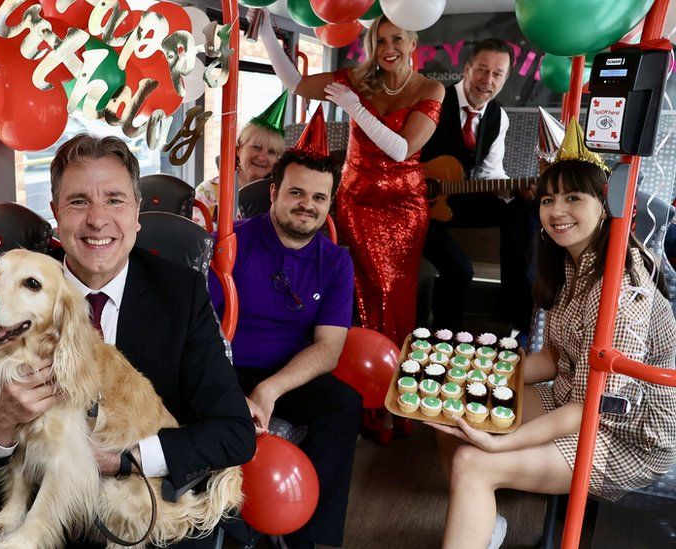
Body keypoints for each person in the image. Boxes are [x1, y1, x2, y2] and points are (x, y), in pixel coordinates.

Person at [0, 133, 255, 547]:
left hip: (138, 505)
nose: (98, 220)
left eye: (116, 200)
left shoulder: (182, 294)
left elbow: (233, 432)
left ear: (138, 213)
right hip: (31, 506)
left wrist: (126, 459)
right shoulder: (8, 295)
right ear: (56, 215)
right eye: (79, 201)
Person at [431, 123, 676, 549]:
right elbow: (551, 357)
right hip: (570, 398)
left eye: (573, 198)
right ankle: (481, 521)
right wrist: (475, 376)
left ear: (605, 206)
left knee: (475, 461)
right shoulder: (570, 261)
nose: (557, 210)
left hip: (623, 433)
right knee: (453, 408)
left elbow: (591, 410)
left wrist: (496, 442)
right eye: (548, 199)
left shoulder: (621, 288)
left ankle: (478, 498)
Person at [208, 109, 362, 549]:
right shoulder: (231, 245)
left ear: (329, 203)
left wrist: (270, 390)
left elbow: (329, 349)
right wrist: (227, 390)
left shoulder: (335, 262)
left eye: (319, 197)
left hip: (288, 373)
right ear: (274, 193)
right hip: (228, 367)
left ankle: (309, 536)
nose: (307, 205)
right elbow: (202, 334)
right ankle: (224, 528)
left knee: (343, 405)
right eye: (296, 192)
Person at [252, 9, 444, 346]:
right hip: (357, 201)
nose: (388, 47)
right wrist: (267, 33)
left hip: (402, 208)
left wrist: (355, 107)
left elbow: (401, 149)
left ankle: (392, 360)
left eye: (397, 38)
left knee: (391, 288)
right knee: (357, 285)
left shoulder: (430, 89)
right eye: (380, 40)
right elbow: (294, 83)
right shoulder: (357, 79)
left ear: (413, 42)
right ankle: (353, 357)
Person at [420, 38, 536, 331]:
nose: (488, 80)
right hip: (415, 206)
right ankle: (445, 338)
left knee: (522, 208)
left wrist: (514, 189)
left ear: (506, 78)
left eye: (497, 74)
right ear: (467, 68)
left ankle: (513, 313)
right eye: (482, 70)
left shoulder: (499, 118)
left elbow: (489, 174)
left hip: (455, 202)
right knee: (459, 270)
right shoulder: (433, 100)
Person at [192, 91, 287, 228]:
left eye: (271, 152)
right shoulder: (209, 191)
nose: (262, 157)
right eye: (256, 147)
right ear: (238, 149)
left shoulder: (280, 195)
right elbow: (197, 239)